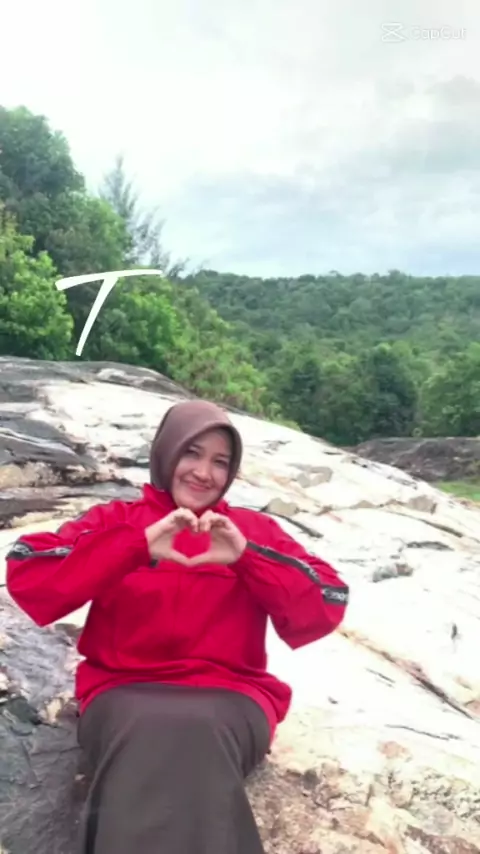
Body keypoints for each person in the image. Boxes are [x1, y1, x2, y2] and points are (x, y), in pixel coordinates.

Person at [6, 399, 349, 854]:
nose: (204, 473)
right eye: (192, 452)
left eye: (220, 462)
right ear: (166, 452)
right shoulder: (118, 522)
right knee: (148, 726)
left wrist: (247, 558)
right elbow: (28, 572)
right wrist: (135, 546)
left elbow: (327, 602)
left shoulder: (250, 530)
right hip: (121, 690)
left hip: (232, 696)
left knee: (198, 726)